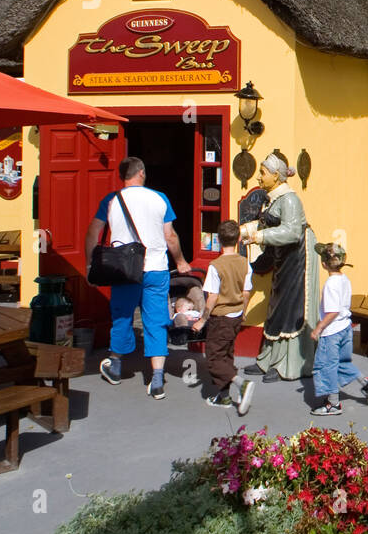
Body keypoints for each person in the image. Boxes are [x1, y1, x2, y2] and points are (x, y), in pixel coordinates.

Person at [85, 156, 191, 400]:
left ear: (123, 175)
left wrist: (90, 264)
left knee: (122, 316)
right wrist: (181, 261)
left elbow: (93, 232)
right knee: (156, 321)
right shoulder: (159, 198)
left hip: (124, 269)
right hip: (155, 268)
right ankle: (156, 379)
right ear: (141, 172)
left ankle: (115, 365)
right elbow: (170, 236)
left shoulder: (111, 200)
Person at [239, 152, 318, 382]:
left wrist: (259, 236)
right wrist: (246, 231)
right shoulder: (274, 197)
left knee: (293, 306)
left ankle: (289, 364)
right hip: (285, 255)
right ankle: (270, 359)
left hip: (298, 255)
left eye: (262, 173)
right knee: (278, 303)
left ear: (276, 175)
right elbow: (269, 223)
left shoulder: (290, 199)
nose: (258, 178)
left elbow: (292, 232)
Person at [309, 241, 368, 416]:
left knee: (326, 366)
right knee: (341, 363)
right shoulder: (344, 279)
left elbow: (332, 311)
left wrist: (318, 328)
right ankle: (366, 382)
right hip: (346, 328)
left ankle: (333, 404)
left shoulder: (331, 284)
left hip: (332, 332)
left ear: (324, 264)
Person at [195, 219, 256, 415]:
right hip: (237, 314)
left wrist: (203, 319)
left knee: (213, 358)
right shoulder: (245, 264)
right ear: (239, 239)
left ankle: (241, 384)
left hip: (220, 316)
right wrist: (244, 312)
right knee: (227, 354)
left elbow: (212, 297)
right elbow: (246, 293)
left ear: (219, 240)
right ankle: (224, 397)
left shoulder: (216, 266)